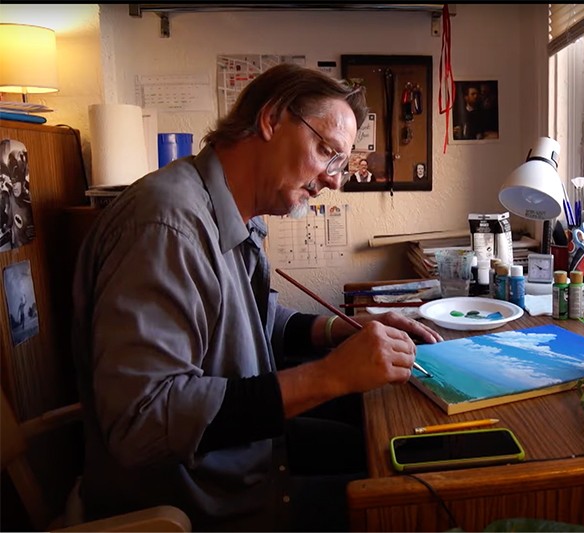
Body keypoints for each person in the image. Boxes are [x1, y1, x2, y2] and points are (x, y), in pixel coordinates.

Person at [71, 63, 443, 532]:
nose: (334, 180)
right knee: (413, 508)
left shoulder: (233, 209)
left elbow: (255, 317)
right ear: (270, 119)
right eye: (328, 151)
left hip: (241, 456)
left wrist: (339, 330)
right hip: (198, 503)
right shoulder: (166, 227)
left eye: (341, 163)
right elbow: (142, 422)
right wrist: (330, 376)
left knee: (394, 449)